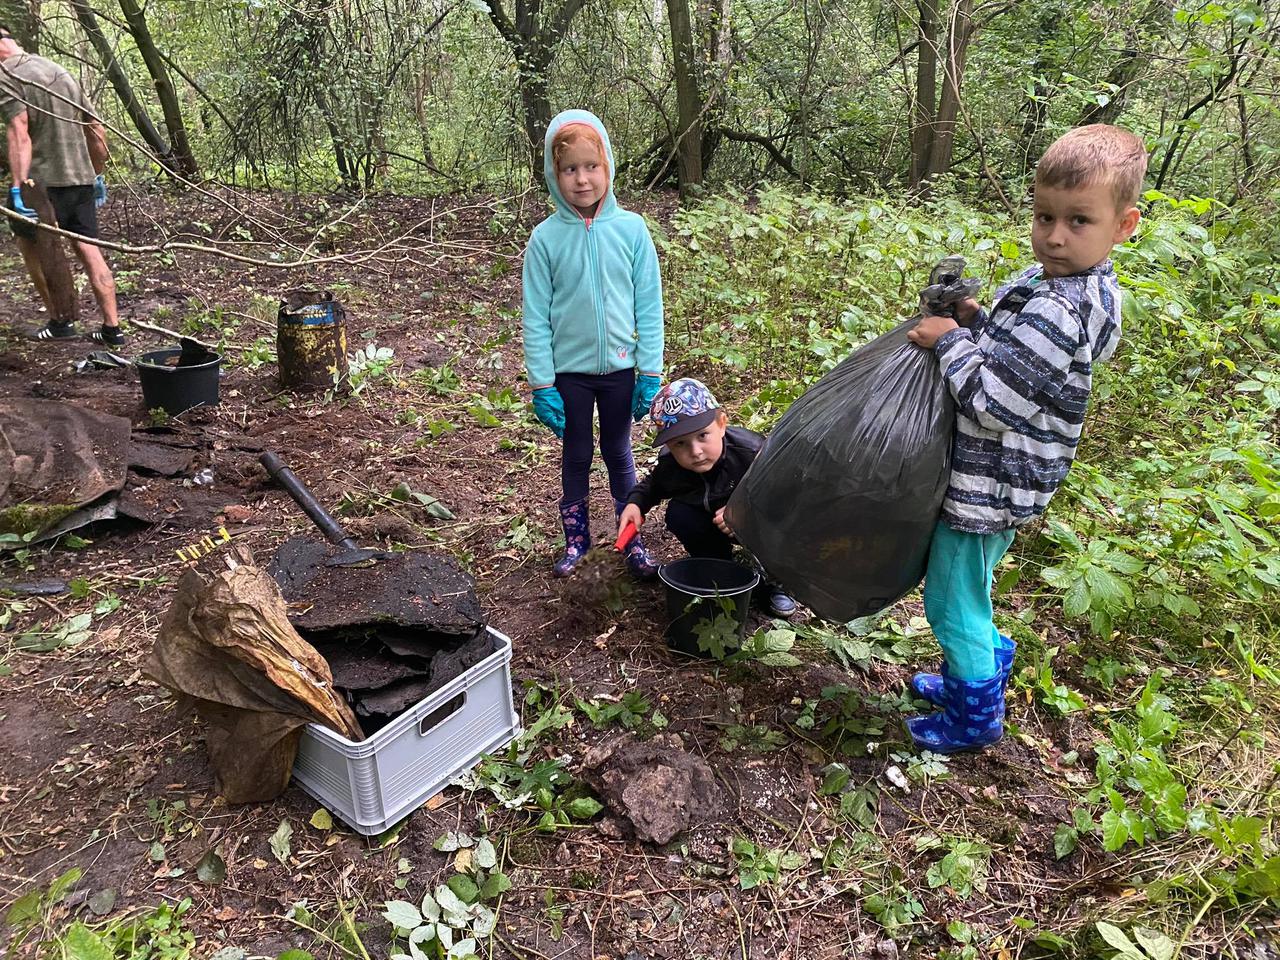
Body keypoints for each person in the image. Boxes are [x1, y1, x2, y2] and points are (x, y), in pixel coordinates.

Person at [903, 124, 1146, 753]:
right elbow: (1021, 355)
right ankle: (978, 669)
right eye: (1044, 216)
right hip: (1016, 478)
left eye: (1078, 221)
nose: (1055, 235)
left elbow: (993, 403)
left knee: (950, 599)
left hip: (991, 481)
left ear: (1125, 225)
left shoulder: (1060, 308)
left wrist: (950, 341)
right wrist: (979, 321)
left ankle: (973, 715)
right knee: (974, 585)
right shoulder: (1065, 286)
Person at [522, 109, 663, 579]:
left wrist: (650, 371)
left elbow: (649, 305)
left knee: (619, 453)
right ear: (553, 173)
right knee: (577, 454)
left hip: (622, 371)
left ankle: (630, 540)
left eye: (591, 166)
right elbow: (536, 318)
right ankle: (576, 542)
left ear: (608, 167)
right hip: (570, 375)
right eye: (569, 169)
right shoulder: (545, 240)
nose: (582, 179)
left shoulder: (632, 230)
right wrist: (542, 384)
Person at [617, 378, 798, 619]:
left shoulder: (752, 453)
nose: (695, 451)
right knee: (680, 514)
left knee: (779, 529)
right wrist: (635, 504)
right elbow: (652, 485)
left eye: (703, 435)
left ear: (721, 424)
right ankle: (720, 568)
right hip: (715, 523)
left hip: (762, 522)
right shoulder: (673, 464)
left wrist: (743, 508)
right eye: (680, 443)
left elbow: (787, 494)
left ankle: (777, 583)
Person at [0, 25, 122, 345]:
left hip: (40, 181)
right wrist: (96, 172)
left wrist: (17, 187)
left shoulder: (7, 75)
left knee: (37, 249)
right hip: (78, 177)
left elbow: (19, 133)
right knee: (89, 249)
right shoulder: (57, 70)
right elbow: (95, 127)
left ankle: (60, 321)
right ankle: (113, 329)